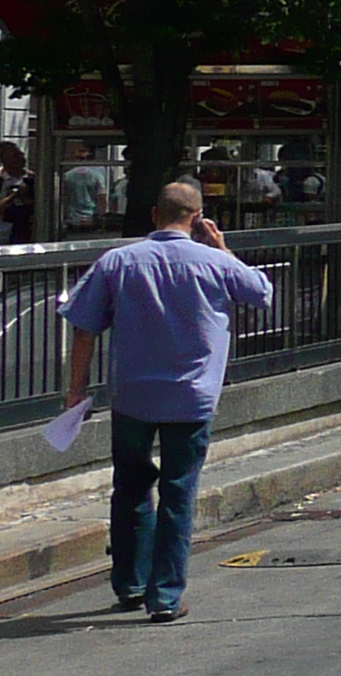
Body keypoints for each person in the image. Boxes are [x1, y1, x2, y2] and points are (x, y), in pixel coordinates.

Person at [60, 181, 273, 622]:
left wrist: (75, 391)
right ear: (197, 218)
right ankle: (166, 596)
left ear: (155, 214)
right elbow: (261, 292)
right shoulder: (215, 262)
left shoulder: (117, 261)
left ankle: (130, 584)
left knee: (131, 487)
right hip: (191, 398)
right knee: (179, 492)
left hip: (133, 395)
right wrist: (223, 247)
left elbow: (84, 328)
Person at [0, 141, 31, 244]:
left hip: (27, 229)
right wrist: (12, 196)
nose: (21, 159)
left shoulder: (32, 179)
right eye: (15, 156)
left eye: (21, 154)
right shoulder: (1, 179)